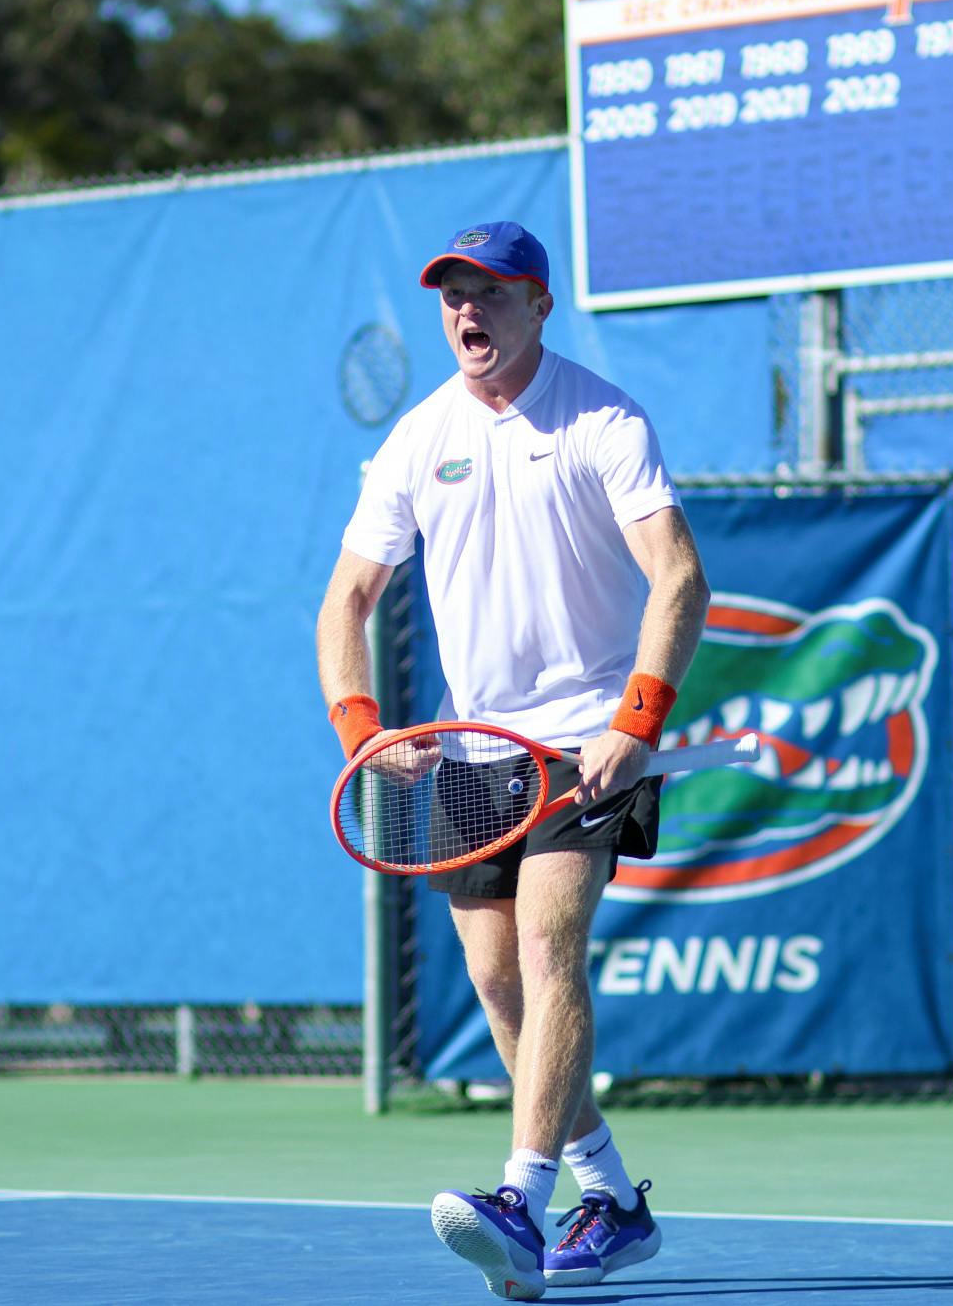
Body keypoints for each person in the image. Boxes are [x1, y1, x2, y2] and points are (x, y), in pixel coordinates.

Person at [315, 221, 710, 1300]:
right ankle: (611, 1201)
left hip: (585, 740)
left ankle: (518, 1201)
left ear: (538, 305)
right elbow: (345, 600)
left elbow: (676, 576)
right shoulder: (415, 437)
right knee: (497, 984)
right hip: (470, 749)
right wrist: (363, 728)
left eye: (487, 293)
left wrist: (635, 716)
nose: (464, 313)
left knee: (546, 951)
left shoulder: (604, 419)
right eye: (450, 295)